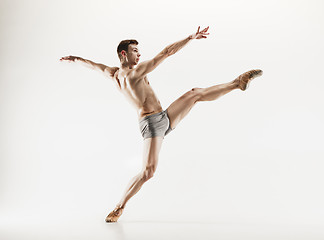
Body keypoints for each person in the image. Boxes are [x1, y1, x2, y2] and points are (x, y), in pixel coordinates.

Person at [60, 26, 263, 223]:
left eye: (139, 51)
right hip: (152, 125)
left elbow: (94, 65)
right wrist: (190, 37)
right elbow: (166, 52)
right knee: (148, 172)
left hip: (163, 116)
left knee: (195, 94)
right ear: (124, 54)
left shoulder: (113, 74)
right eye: (135, 51)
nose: (139, 55)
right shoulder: (135, 73)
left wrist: (76, 59)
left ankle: (238, 82)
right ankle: (119, 206)